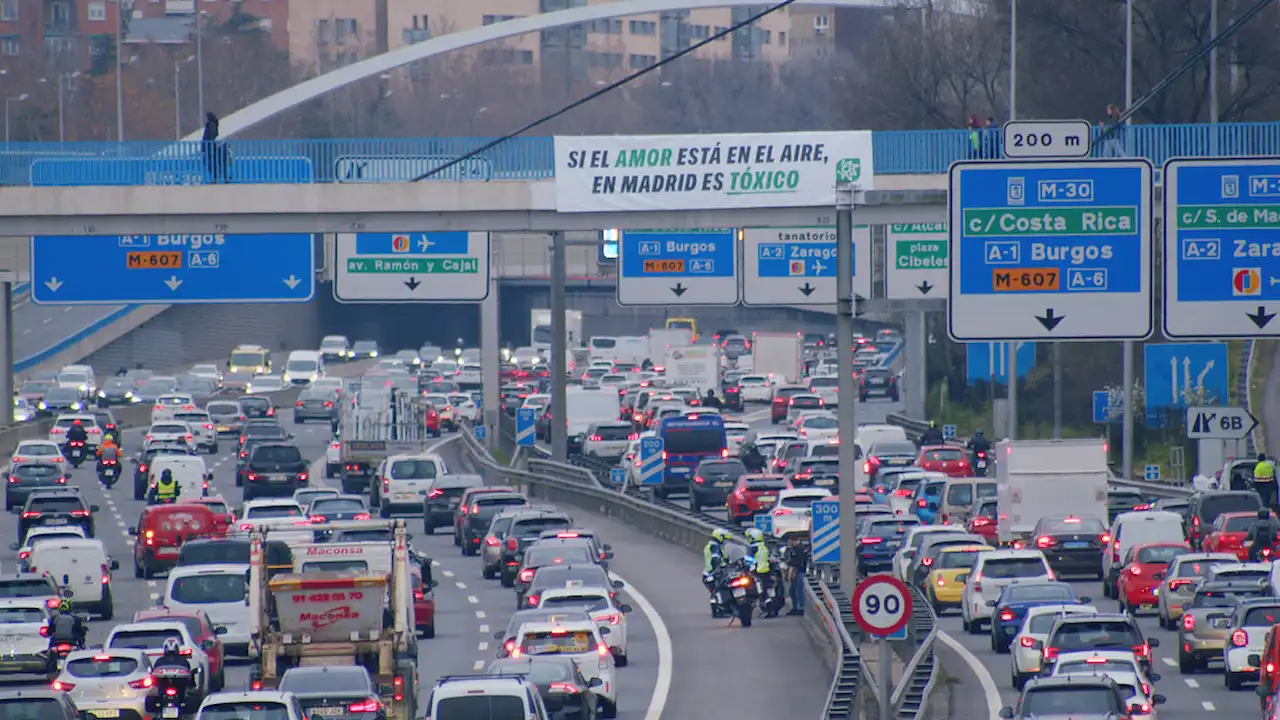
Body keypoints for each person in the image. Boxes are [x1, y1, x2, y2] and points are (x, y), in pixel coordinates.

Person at [745, 528, 777, 617]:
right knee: (766, 590)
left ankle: (768, 609)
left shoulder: (753, 548)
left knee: (758, 592)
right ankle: (771, 608)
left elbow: (749, 561)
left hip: (757, 572)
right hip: (766, 571)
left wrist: (750, 570)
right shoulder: (764, 547)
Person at [703, 528, 730, 617]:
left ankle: (719, 609)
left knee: (716, 591)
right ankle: (717, 611)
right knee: (717, 591)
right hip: (712, 573)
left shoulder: (712, 546)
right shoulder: (714, 547)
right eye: (723, 537)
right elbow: (716, 560)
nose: (724, 540)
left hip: (710, 573)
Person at [782, 532, 810, 615]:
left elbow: (797, 562)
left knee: (798, 591)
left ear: (793, 541)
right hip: (796, 572)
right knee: (792, 591)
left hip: (800, 572)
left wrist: (789, 563)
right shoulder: (794, 549)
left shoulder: (799, 549)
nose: (789, 543)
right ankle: (795, 607)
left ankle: (800, 608)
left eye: (790, 541)